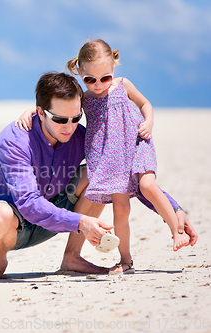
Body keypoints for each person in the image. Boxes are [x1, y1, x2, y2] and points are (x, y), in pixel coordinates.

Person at [0, 72, 197, 282]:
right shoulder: (15, 140)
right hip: (0, 227)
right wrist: (81, 222)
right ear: (40, 112)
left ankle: (72, 258)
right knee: (0, 215)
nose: (69, 127)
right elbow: (28, 204)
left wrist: (173, 211)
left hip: (50, 216)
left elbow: (126, 177)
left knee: (99, 172)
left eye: (75, 118)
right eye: (60, 120)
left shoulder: (79, 136)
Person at [15, 40, 193, 274]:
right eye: (90, 79)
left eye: (105, 78)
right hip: (109, 156)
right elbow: (55, 104)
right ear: (79, 72)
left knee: (147, 185)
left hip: (136, 144)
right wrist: (30, 111)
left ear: (114, 68)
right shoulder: (83, 97)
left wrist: (148, 122)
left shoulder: (123, 85)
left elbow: (145, 104)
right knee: (121, 210)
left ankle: (176, 231)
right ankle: (126, 260)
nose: (98, 85)